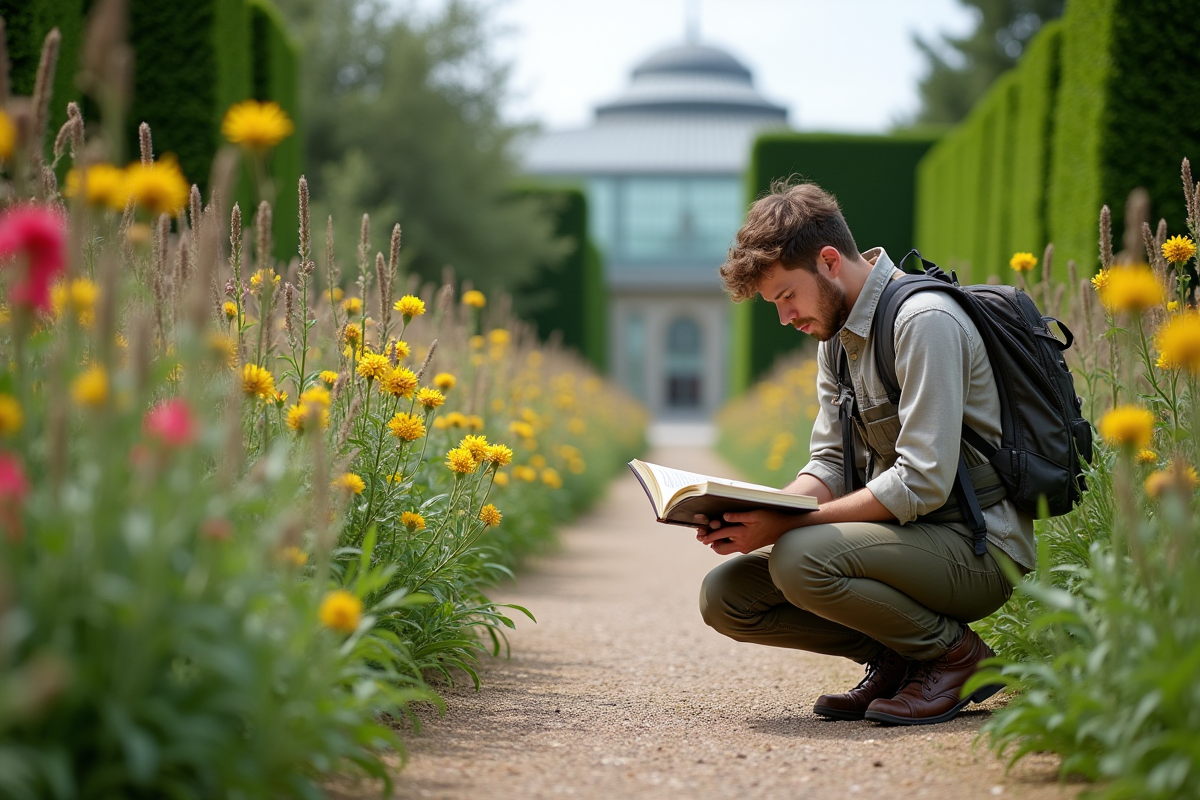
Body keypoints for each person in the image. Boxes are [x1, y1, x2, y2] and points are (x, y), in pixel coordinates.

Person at [695, 181, 1033, 726]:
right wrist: (760, 510)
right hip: (908, 542)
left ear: (829, 261)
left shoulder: (924, 322)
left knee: (800, 558)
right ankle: (898, 658)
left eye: (786, 297)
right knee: (726, 595)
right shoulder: (837, 338)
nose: (785, 317)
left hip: (979, 548)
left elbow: (922, 482)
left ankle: (956, 657)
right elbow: (829, 463)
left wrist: (783, 528)